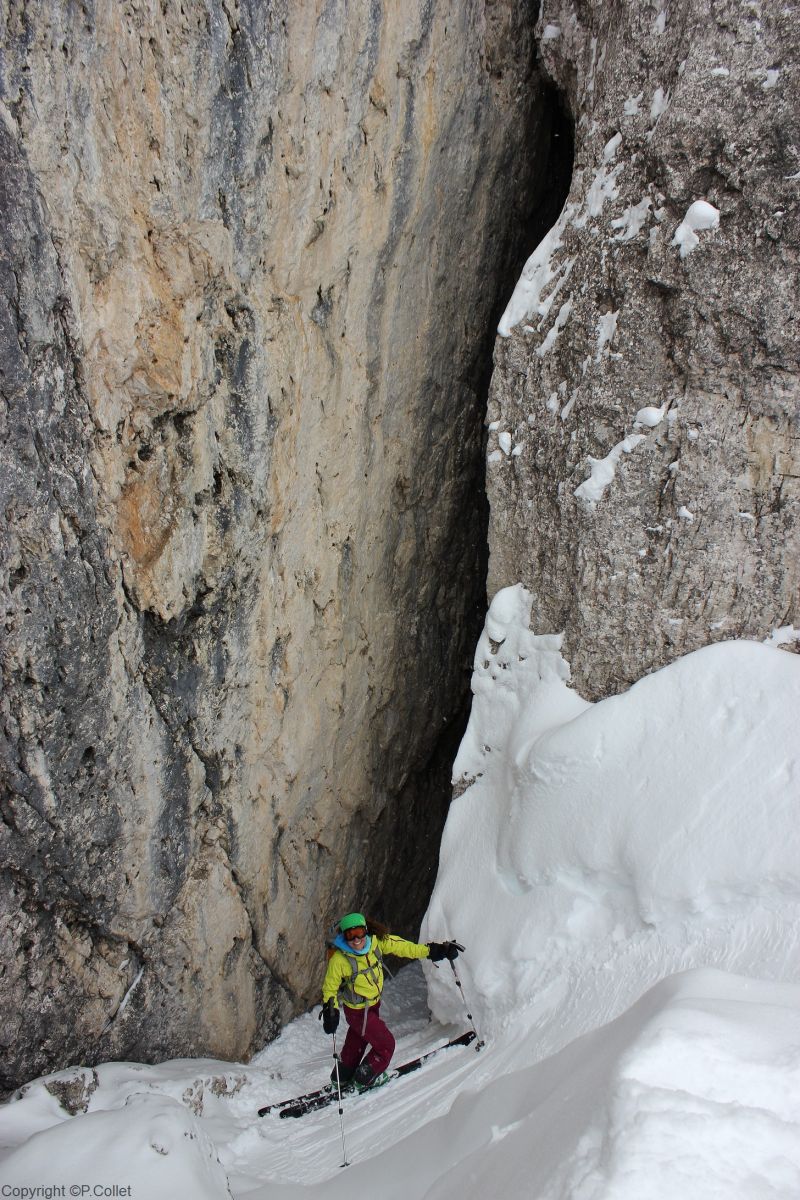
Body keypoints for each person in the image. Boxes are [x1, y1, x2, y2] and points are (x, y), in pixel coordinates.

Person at [320, 911, 461, 1090]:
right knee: (386, 1045)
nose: (356, 940)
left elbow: (404, 947)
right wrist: (330, 1009)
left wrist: (434, 950)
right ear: (344, 936)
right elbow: (330, 987)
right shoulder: (340, 960)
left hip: (372, 1005)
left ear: (366, 931)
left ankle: (341, 1077)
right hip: (357, 1011)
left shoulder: (376, 943)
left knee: (357, 1041)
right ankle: (365, 1079)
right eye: (350, 935)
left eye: (359, 933)